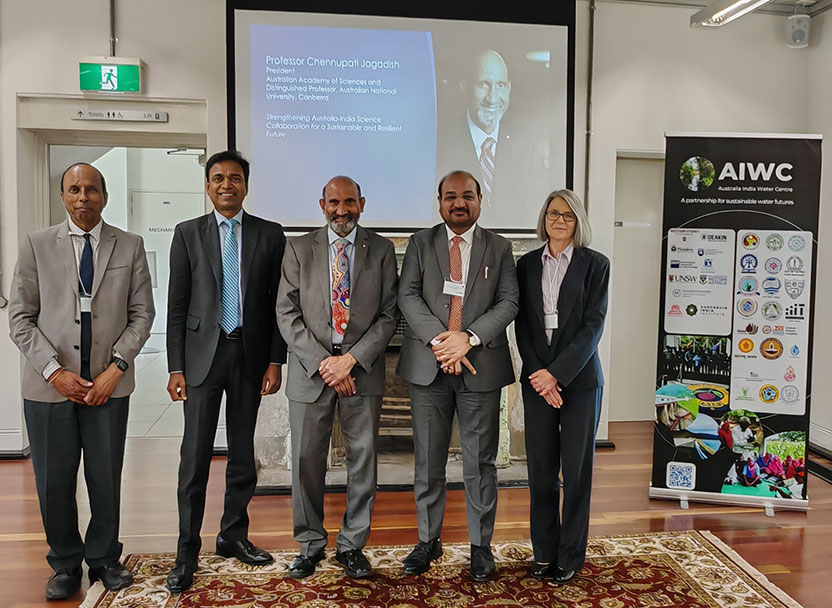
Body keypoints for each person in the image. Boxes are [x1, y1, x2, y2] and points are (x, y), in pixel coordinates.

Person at [9, 163, 155, 600]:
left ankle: (106, 559)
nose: (83, 197)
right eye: (74, 189)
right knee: (54, 479)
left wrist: (116, 368)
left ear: (104, 196)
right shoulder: (36, 246)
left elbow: (142, 314)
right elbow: (20, 319)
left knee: (105, 476)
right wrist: (54, 372)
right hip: (49, 386)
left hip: (107, 385)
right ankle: (65, 564)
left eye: (92, 189)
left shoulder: (129, 245)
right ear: (62, 197)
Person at [165, 151, 287, 593]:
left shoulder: (270, 235)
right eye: (217, 178)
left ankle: (233, 535)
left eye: (234, 178)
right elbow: (176, 307)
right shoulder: (187, 234)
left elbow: (279, 306)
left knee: (241, 455)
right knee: (194, 458)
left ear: (246, 185)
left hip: (250, 358)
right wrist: (175, 365)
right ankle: (186, 551)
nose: (226, 185)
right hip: (201, 359)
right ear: (207, 185)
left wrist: (276, 360)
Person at [397, 170, 519, 582]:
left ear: (480, 200)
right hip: (428, 366)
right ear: (439, 202)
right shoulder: (419, 243)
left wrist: (466, 339)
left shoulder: (500, 247)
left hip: (479, 366)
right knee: (428, 461)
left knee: (480, 463)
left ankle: (480, 547)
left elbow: (509, 302)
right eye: (450, 196)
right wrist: (441, 341)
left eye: (467, 195)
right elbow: (407, 296)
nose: (459, 203)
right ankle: (427, 541)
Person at [276, 176, 399, 579]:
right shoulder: (297, 249)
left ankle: (351, 545)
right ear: (321, 204)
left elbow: (388, 315)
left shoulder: (381, 250)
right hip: (311, 373)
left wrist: (350, 361)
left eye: (349, 202)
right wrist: (325, 363)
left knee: (363, 460)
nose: (341, 210)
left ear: (362, 203)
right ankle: (310, 543)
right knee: (306, 462)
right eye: (334, 202)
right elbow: (287, 314)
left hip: (360, 372)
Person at [514, 189, 610, 584]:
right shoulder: (525, 265)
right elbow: (522, 326)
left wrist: (558, 374)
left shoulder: (595, 265)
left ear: (578, 221)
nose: (558, 221)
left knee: (576, 471)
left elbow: (593, 326)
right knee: (540, 472)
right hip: (538, 382)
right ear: (544, 218)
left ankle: (570, 556)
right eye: (553, 214)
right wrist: (540, 374)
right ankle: (544, 553)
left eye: (567, 216)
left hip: (580, 382)